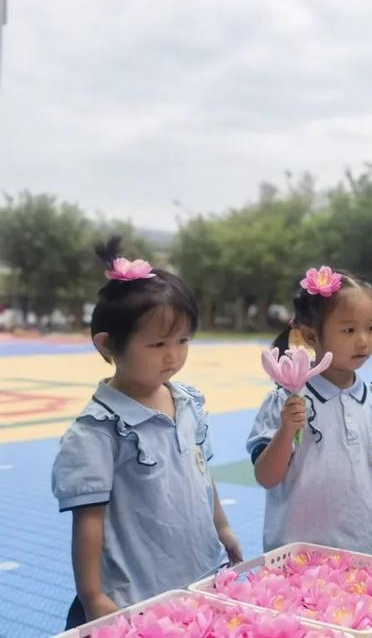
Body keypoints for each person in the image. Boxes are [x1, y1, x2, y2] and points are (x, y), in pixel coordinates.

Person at [52, 237, 241, 628]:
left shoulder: (187, 402)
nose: (173, 355)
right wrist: (93, 596)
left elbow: (201, 471)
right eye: (157, 343)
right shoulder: (99, 431)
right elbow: (88, 522)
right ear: (107, 345)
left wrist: (222, 527)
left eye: (183, 341)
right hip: (137, 596)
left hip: (199, 574)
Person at [247, 266, 372, 557]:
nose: (364, 340)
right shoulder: (286, 400)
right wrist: (286, 431)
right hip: (299, 557)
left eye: (371, 327)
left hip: (368, 554)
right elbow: (266, 477)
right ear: (310, 335)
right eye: (349, 330)